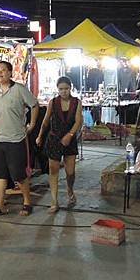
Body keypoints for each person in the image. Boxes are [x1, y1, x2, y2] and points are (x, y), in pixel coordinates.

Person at [0, 61, 39, 216]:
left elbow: (34, 105)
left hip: (16, 139)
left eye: (3, 70)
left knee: (19, 174)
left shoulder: (20, 90)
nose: (0, 73)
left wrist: (32, 124)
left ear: (10, 73)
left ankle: (27, 202)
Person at [36, 77, 83, 213]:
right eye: (61, 89)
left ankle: (70, 189)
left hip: (70, 139)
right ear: (57, 89)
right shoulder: (53, 102)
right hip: (54, 139)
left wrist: (70, 135)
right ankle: (54, 201)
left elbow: (78, 121)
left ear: (70, 88)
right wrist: (39, 135)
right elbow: (45, 122)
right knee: (53, 170)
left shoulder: (76, 102)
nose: (64, 92)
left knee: (70, 172)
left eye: (66, 89)